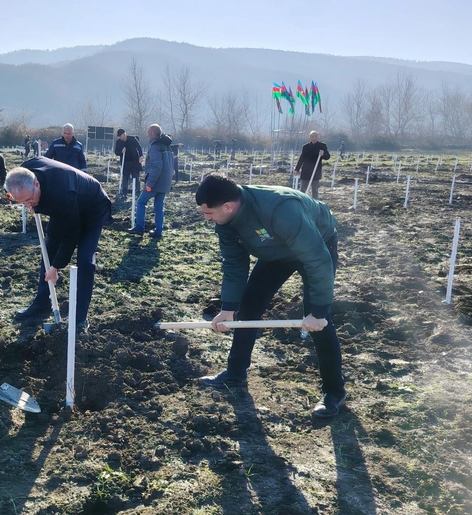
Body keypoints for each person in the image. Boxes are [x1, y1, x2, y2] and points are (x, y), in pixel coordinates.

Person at [195, 173, 345, 418]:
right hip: (276, 251)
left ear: (228, 206)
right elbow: (234, 264)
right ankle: (235, 373)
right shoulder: (225, 222)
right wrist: (228, 307)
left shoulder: (280, 208)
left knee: (319, 319)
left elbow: (317, 259)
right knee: (249, 306)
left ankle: (334, 392)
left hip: (317, 242)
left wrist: (317, 312)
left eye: (208, 213)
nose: (206, 218)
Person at [7, 157, 112, 333]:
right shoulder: (23, 172)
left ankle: (80, 318)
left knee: (85, 260)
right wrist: (20, 198)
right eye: (22, 202)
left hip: (92, 208)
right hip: (63, 205)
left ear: (37, 184)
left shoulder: (62, 195)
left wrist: (56, 268)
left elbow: (70, 237)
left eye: (29, 200)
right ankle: (42, 302)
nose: (27, 205)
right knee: (48, 250)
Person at [127, 124, 173, 239]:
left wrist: (149, 184)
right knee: (159, 206)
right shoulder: (167, 147)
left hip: (155, 182)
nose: (147, 135)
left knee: (141, 202)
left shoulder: (155, 147)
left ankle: (139, 227)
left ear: (153, 133)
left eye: (148, 133)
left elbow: (157, 167)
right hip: (165, 183)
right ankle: (158, 231)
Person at [293, 131, 330, 200]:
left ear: (318, 137)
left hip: (316, 171)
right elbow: (302, 158)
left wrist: (323, 154)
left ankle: (315, 204)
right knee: (302, 189)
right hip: (306, 170)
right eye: (312, 137)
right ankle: (302, 202)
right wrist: (297, 169)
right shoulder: (305, 147)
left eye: (315, 136)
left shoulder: (322, 146)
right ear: (310, 137)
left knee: (315, 190)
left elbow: (328, 157)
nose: (314, 138)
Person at [114, 128, 143, 199]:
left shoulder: (132, 139)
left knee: (136, 177)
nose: (120, 138)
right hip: (125, 163)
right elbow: (116, 152)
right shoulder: (118, 142)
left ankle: (138, 191)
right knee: (125, 178)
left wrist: (141, 156)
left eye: (120, 136)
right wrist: (121, 151)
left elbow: (139, 147)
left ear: (124, 134)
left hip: (134, 162)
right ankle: (124, 193)